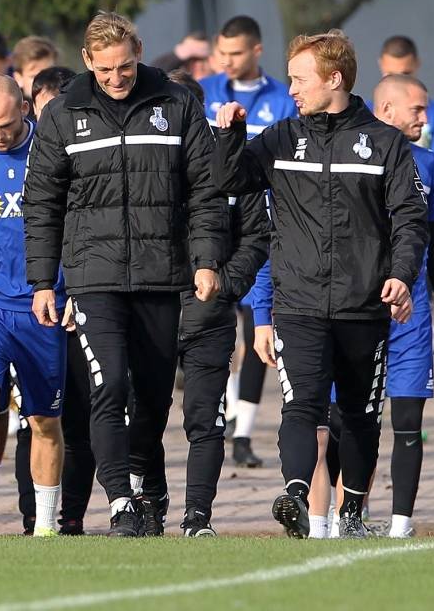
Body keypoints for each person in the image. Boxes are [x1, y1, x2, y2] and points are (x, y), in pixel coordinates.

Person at [213, 29, 428, 539]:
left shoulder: (384, 143)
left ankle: (353, 510)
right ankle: (294, 493)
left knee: (357, 416)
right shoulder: (283, 137)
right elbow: (230, 180)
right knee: (301, 405)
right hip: (299, 303)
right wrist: (229, 135)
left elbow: (409, 222)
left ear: (335, 79)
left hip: (362, 305)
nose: (291, 89)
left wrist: (400, 276)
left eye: (299, 79)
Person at [23, 10, 224, 537]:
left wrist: (205, 259)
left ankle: (140, 479)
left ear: (138, 53)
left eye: (125, 67)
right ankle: (120, 502)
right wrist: (43, 281)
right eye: (105, 69)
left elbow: (205, 191)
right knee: (107, 385)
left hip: (162, 274)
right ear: (87, 61)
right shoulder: (63, 114)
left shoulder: (175, 104)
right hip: (94, 277)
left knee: (154, 399)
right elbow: (41, 203)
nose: (116, 78)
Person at [152, 70, 270, 536]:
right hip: (152, 310)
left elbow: (257, 236)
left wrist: (225, 283)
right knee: (145, 416)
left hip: (209, 314)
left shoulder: (231, 163)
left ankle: (198, 516)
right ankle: (149, 504)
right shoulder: (143, 159)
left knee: (205, 421)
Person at [0, 76, 68, 537]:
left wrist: (69, 288)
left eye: (6, 124)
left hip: (40, 303)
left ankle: (45, 524)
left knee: (44, 420)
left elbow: (75, 224)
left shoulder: (52, 152)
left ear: (25, 108)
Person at [199, 14, 297, 470]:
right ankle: (222, 422)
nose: (227, 61)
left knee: (257, 327)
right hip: (215, 231)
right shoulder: (206, 93)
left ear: (256, 51)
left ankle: (243, 433)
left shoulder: (282, 99)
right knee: (218, 331)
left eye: (236, 53)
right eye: (222, 53)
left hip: (264, 229)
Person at [370, 74, 434, 538]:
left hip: (412, 315)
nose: (426, 118)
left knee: (407, 419)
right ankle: (349, 515)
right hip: (358, 309)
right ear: (385, 110)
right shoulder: (355, 157)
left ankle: (401, 523)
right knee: (348, 420)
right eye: (417, 110)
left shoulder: (428, 165)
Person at [378, 36, 434, 175]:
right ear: (380, 64)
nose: (398, 82)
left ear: (417, 64)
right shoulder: (363, 112)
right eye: (390, 75)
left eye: (405, 74)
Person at [10, 36, 60, 104]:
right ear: (18, 78)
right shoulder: (15, 112)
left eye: (50, 75)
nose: (44, 83)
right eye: (34, 76)